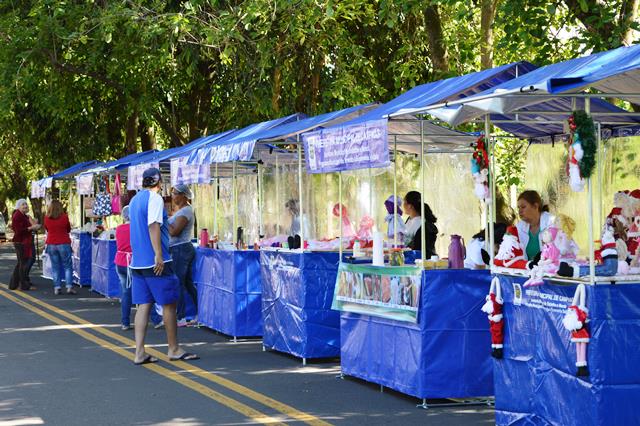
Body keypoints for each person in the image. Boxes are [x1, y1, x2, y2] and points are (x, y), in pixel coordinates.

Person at [128, 167, 198, 365]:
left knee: (143, 305)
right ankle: (173, 348)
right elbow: (153, 226)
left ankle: (139, 352)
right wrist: (158, 253)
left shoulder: (134, 201)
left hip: (138, 262)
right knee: (169, 303)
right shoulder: (155, 199)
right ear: (159, 182)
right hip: (156, 261)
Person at [167, 184, 197, 326]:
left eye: (175, 193)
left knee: (178, 282)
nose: (173, 196)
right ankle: (199, 312)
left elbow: (174, 231)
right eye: (172, 193)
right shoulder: (181, 211)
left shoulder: (186, 211)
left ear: (183, 195)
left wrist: (163, 220)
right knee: (187, 283)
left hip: (181, 248)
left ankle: (180, 316)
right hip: (180, 248)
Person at [44, 200, 76, 295]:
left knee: (55, 266)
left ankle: (57, 288)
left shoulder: (46, 218)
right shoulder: (64, 217)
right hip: (63, 243)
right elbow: (68, 229)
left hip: (51, 243)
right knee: (67, 266)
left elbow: (47, 229)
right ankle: (69, 287)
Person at [9, 199, 41, 291]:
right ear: (18, 206)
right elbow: (18, 231)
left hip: (24, 241)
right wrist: (31, 227)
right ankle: (23, 285)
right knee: (22, 264)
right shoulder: (17, 216)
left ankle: (14, 284)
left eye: (26, 204)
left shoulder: (23, 216)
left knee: (21, 264)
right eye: (23, 204)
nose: (25, 206)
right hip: (20, 242)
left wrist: (33, 226)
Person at [516, 190, 554, 260]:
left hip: (550, 269)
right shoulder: (519, 227)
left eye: (523, 207)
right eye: (518, 207)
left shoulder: (552, 222)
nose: (519, 211)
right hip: (527, 270)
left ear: (535, 206)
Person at [402, 191, 438, 258]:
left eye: (404, 202)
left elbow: (406, 242)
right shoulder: (410, 220)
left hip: (417, 258)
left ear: (410, 206)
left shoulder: (418, 222)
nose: (402, 205)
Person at [115, 206, 134, 330]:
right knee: (144, 289)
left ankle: (125, 321)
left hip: (120, 261)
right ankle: (155, 318)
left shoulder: (119, 229)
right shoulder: (136, 229)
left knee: (126, 292)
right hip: (132, 262)